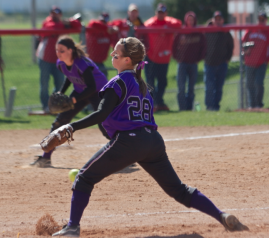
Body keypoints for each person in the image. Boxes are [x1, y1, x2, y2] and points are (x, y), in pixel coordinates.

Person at [50, 37, 248, 237]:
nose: (112, 55)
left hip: (129, 141)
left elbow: (101, 115)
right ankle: (221, 215)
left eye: (116, 53)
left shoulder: (117, 82)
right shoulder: (143, 85)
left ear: (127, 60)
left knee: (83, 179)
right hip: (153, 141)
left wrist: (69, 127)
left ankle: (72, 228)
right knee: (178, 190)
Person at [30, 36, 109, 168]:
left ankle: (124, 152)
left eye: (62, 50)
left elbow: (91, 87)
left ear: (70, 50)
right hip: (80, 91)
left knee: (105, 124)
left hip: (98, 92)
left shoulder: (82, 64)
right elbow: (70, 77)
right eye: (57, 50)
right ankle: (46, 158)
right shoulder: (60, 63)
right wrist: (62, 92)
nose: (58, 53)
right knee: (59, 122)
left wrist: (74, 99)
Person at [36, 6, 81, 112]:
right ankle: (45, 106)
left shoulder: (64, 24)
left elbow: (78, 26)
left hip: (60, 60)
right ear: (50, 14)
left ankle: (53, 105)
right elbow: (51, 27)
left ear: (60, 14)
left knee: (60, 83)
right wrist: (65, 24)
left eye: (57, 13)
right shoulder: (48, 22)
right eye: (53, 13)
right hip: (45, 59)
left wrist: (69, 21)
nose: (55, 15)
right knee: (44, 84)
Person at [144, 3, 182, 112]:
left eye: (163, 12)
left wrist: (165, 26)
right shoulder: (150, 23)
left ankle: (159, 102)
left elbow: (178, 23)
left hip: (164, 59)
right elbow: (143, 28)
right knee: (150, 82)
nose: (161, 14)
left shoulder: (169, 22)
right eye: (159, 12)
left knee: (163, 82)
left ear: (166, 13)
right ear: (156, 13)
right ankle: (152, 104)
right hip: (151, 57)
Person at [172, 11, 206, 111]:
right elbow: (174, 46)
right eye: (188, 19)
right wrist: (177, 58)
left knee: (191, 88)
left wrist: (198, 59)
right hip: (182, 63)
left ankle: (189, 108)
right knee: (181, 88)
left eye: (192, 19)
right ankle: (182, 108)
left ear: (195, 20)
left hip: (193, 64)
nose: (190, 21)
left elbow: (204, 47)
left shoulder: (198, 32)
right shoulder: (181, 31)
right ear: (185, 20)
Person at [204, 11, 234, 111]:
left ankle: (216, 106)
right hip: (209, 63)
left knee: (219, 87)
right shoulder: (207, 31)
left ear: (222, 20)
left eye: (219, 19)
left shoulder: (225, 32)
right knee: (209, 86)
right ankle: (209, 106)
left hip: (222, 64)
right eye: (215, 19)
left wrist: (227, 59)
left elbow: (231, 47)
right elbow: (201, 45)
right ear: (213, 20)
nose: (217, 21)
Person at [242, 11, 269, 109]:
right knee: (250, 84)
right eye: (259, 19)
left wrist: (267, 60)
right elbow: (243, 41)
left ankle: (258, 104)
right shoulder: (251, 29)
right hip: (249, 62)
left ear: (266, 20)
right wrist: (245, 49)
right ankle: (251, 105)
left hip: (261, 62)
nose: (261, 21)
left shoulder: (267, 31)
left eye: (263, 19)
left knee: (258, 83)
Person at [86, 12, 114, 78]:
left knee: (104, 79)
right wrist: (106, 28)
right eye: (101, 21)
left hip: (100, 62)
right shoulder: (95, 27)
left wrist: (109, 28)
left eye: (104, 21)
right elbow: (92, 23)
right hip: (90, 61)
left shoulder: (109, 31)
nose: (102, 23)